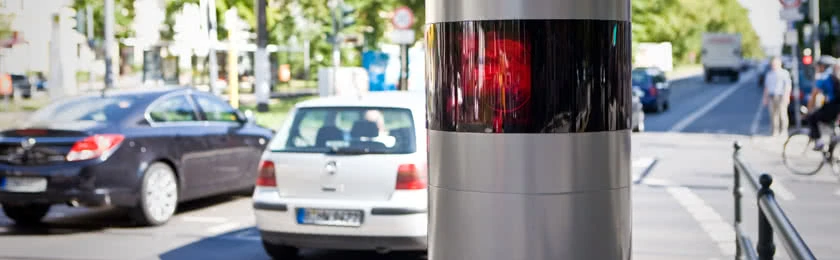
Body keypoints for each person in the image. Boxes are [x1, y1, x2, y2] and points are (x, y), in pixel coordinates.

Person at [807, 63, 840, 150]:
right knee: (829, 122)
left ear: (822, 67)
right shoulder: (833, 76)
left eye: (817, 66)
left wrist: (809, 109)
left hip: (832, 107)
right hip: (836, 107)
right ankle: (833, 139)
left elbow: (814, 94)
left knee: (812, 118)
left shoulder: (823, 77)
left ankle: (819, 142)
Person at [762, 56, 793, 136]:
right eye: (773, 64)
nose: (774, 65)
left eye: (775, 64)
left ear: (779, 64)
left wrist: (787, 96)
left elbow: (788, 86)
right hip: (772, 96)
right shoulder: (769, 74)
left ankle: (784, 131)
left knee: (782, 114)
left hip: (781, 96)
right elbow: (766, 87)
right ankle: (775, 131)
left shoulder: (784, 73)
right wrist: (765, 98)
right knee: (773, 115)